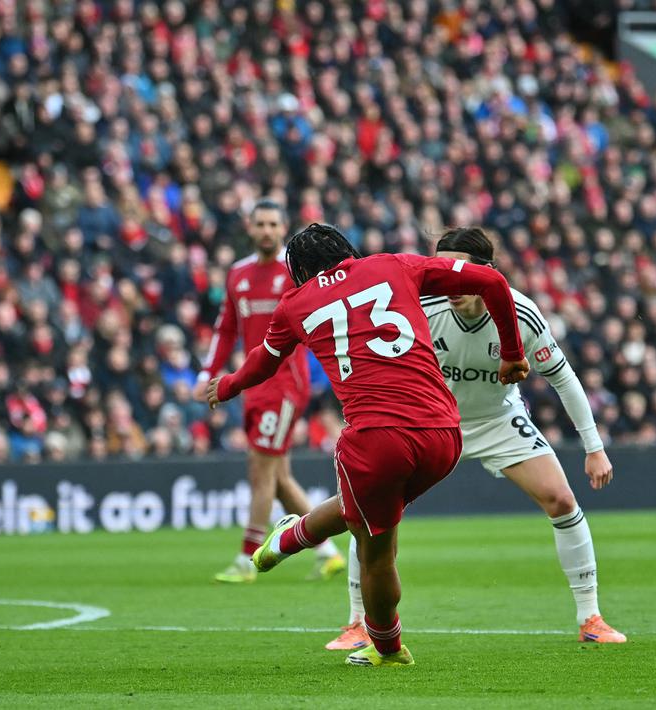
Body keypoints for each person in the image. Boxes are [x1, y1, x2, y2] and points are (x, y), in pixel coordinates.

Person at [206, 224, 529, 666]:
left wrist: (227, 386)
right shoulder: (392, 264)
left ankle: (387, 648)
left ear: (299, 271)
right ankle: (289, 539)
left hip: (376, 441)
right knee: (364, 512)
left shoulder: (295, 304)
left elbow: (265, 361)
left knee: (374, 550)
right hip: (444, 436)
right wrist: (512, 352)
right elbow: (492, 280)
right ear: (347, 250)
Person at [325, 228, 625, 650]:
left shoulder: (520, 313)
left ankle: (591, 618)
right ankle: (358, 622)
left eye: (459, 270)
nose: (448, 281)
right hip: (426, 423)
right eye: (440, 269)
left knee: (561, 500)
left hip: (497, 419)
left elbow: (563, 378)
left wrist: (594, 448)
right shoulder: (419, 310)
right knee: (375, 519)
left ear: (487, 274)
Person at [200, 201, 344, 583]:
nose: (266, 230)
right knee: (278, 476)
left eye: (273, 224)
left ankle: (248, 559)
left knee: (260, 470)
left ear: (283, 227)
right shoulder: (238, 273)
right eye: (260, 223)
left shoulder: (295, 270)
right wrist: (208, 372)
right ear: (250, 227)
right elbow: (226, 328)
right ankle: (327, 552)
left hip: (283, 385)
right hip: (252, 384)